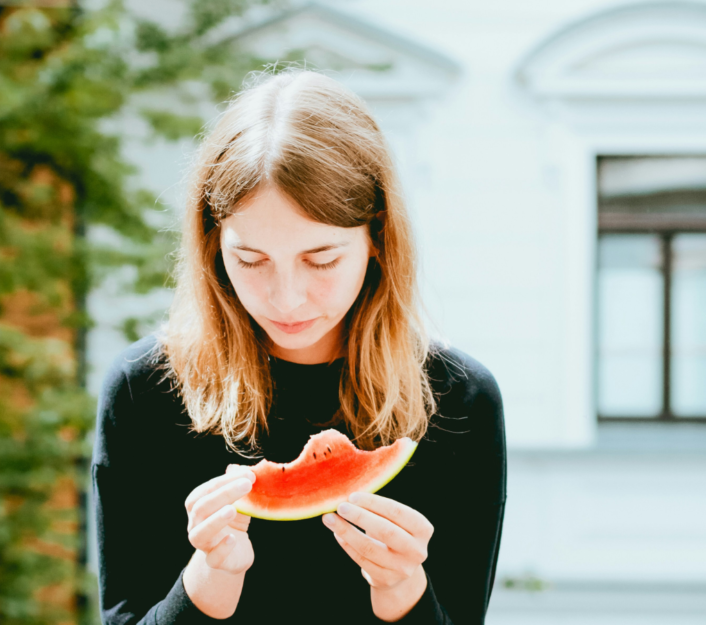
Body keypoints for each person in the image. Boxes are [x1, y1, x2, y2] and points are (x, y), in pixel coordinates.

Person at [91, 69, 507, 624]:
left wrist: (404, 593)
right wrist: (208, 582)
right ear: (214, 245)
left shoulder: (457, 399)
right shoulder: (146, 389)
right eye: (251, 260)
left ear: (377, 238)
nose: (286, 299)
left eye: (322, 260)